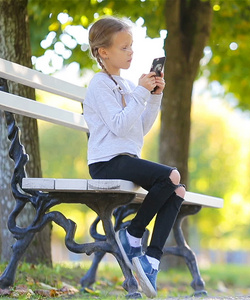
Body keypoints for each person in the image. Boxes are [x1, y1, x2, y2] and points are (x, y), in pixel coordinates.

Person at [84, 16, 185, 298]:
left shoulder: (127, 85)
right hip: (106, 163)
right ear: (103, 52)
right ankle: (133, 234)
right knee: (171, 175)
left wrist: (152, 97)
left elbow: (138, 128)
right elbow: (117, 125)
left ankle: (151, 260)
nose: (131, 53)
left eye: (132, 47)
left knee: (177, 190)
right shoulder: (99, 84)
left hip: (125, 158)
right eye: (124, 47)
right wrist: (141, 92)